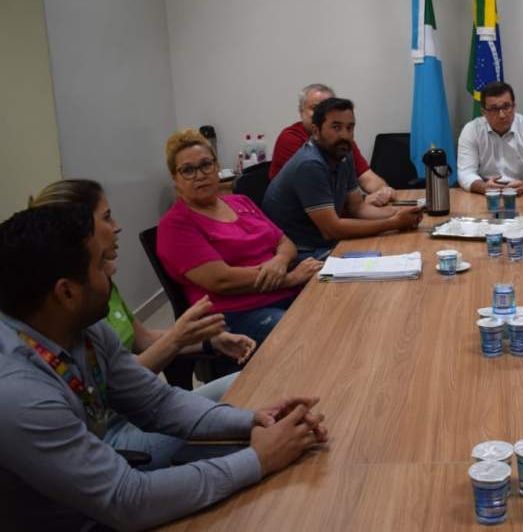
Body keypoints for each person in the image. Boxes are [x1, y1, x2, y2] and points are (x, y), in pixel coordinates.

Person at [0, 204, 328, 531]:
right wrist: (258, 460)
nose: (112, 271)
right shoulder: (19, 392)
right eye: (101, 264)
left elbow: (158, 403)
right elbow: (127, 500)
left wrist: (254, 421)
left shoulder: (81, 328)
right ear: (67, 292)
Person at [30, 178, 258, 467]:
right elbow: (114, 383)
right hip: (115, 432)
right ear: (80, 228)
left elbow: (142, 338)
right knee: (245, 425)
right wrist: (177, 338)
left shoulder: (102, 280)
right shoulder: (77, 298)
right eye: (107, 217)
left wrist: (207, 340)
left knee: (250, 385)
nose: (117, 226)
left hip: (143, 409)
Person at [157, 129, 322, 345]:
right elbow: (222, 280)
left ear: (217, 167)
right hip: (237, 314)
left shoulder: (240, 201)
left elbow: (284, 242)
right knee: (307, 334)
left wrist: (279, 261)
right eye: (187, 170)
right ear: (175, 179)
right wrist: (288, 278)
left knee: (341, 306)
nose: (199, 175)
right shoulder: (175, 225)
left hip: (286, 293)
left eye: (206, 165)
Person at [263, 97, 424, 258]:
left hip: (328, 244)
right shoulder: (310, 164)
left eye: (350, 127)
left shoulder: (343, 154)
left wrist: (402, 213)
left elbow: (358, 209)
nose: (345, 135)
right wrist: (393, 222)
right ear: (316, 131)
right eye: (336, 127)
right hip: (301, 254)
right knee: (392, 256)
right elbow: (331, 230)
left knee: (407, 248)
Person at [270, 83, 395, 206]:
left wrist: (384, 191)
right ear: (301, 110)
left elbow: (365, 176)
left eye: (328, 109)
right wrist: (362, 201)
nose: (322, 114)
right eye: (315, 108)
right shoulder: (291, 139)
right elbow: (318, 193)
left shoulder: (340, 139)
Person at [457, 81, 523, 195]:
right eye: (494, 109)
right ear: (483, 112)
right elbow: (465, 173)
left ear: (514, 106)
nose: (501, 115)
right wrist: (484, 187)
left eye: (506, 107)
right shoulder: (471, 130)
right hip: (484, 194)